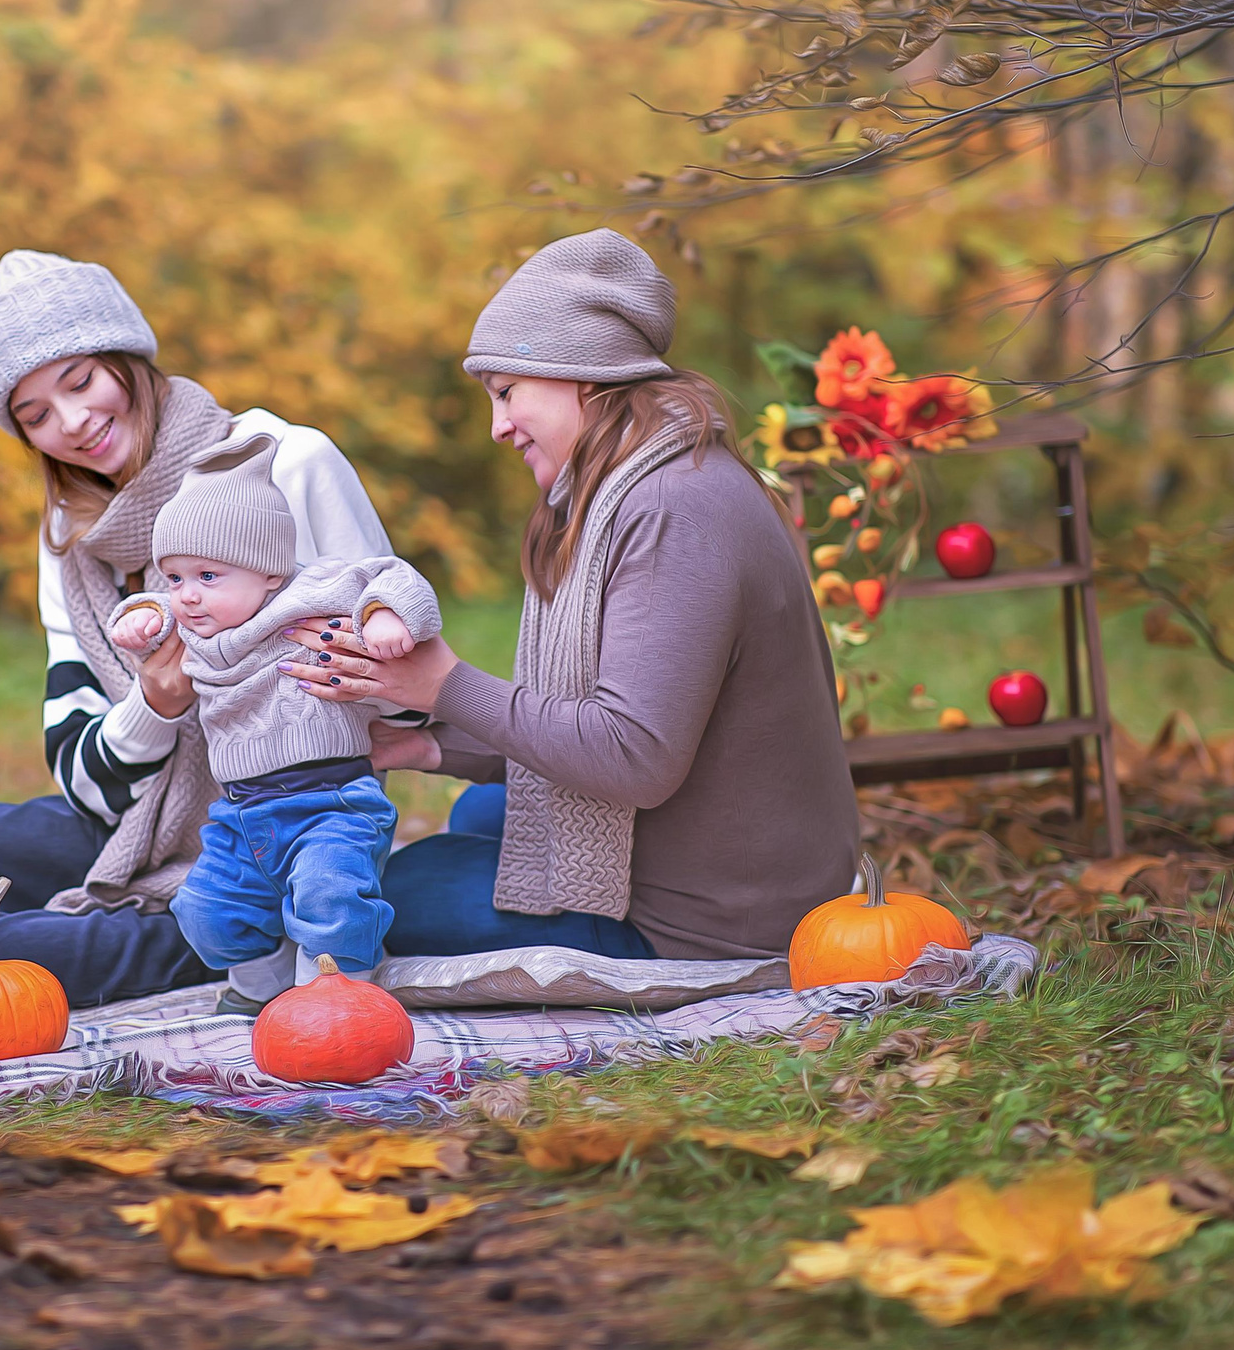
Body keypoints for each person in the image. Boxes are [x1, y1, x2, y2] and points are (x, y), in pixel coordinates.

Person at [0, 249, 403, 1031]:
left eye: (79, 380)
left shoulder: (286, 462)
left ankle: (214, 941)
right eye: (34, 413)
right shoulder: (72, 543)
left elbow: (402, 701)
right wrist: (156, 701)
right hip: (123, 824)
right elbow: (83, 776)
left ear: (128, 359)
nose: (70, 422)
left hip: (273, 839)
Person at [282, 228, 861, 962]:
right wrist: (425, 743)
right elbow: (606, 726)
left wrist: (445, 683)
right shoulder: (655, 481)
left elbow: (633, 755)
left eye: (505, 393)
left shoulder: (674, 510)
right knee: (484, 809)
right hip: (736, 859)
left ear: (579, 374)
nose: (497, 426)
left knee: (406, 885)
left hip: (721, 916)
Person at [107, 435, 442, 1010]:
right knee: (206, 909)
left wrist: (388, 614)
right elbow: (147, 611)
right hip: (241, 809)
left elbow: (396, 575)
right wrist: (135, 618)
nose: (187, 595)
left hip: (331, 798)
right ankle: (259, 996)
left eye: (207, 576)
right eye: (174, 576)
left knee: (331, 895)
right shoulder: (192, 620)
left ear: (267, 572)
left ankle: (334, 1000)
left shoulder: (309, 590)